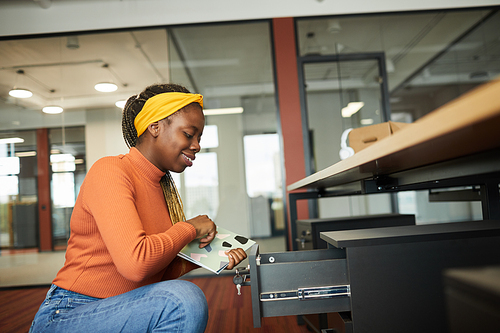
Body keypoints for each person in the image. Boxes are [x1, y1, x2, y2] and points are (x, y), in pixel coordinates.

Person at [29, 83, 248, 333]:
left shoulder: (163, 188)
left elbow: (156, 273)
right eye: (189, 134)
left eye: (199, 138)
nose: (197, 145)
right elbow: (136, 264)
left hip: (121, 308)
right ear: (154, 126)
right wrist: (188, 228)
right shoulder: (110, 171)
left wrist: (210, 257)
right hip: (70, 312)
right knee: (181, 301)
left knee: (179, 298)